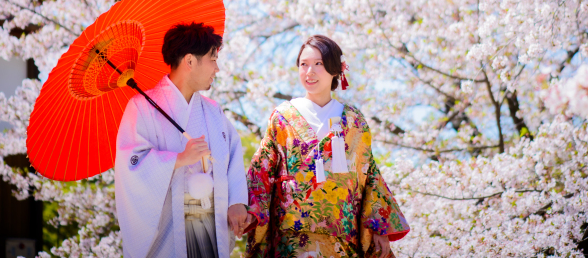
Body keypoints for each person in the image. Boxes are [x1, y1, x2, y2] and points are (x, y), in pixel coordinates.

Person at [245, 35, 409, 258]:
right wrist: (250, 211)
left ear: (335, 69)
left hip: (343, 236)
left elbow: (368, 175)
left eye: (318, 64)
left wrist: (379, 227)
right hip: (292, 235)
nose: (309, 71)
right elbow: (261, 170)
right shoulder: (282, 117)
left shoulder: (354, 122)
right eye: (303, 64)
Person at [115, 22, 251, 258]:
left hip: (209, 223)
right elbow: (131, 164)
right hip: (169, 230)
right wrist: (178, 159)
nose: (217, 69)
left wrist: (236, 202)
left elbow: (233, 157)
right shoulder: (142, 108)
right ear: (189, 61)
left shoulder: (213, 111)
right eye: (213, 59)